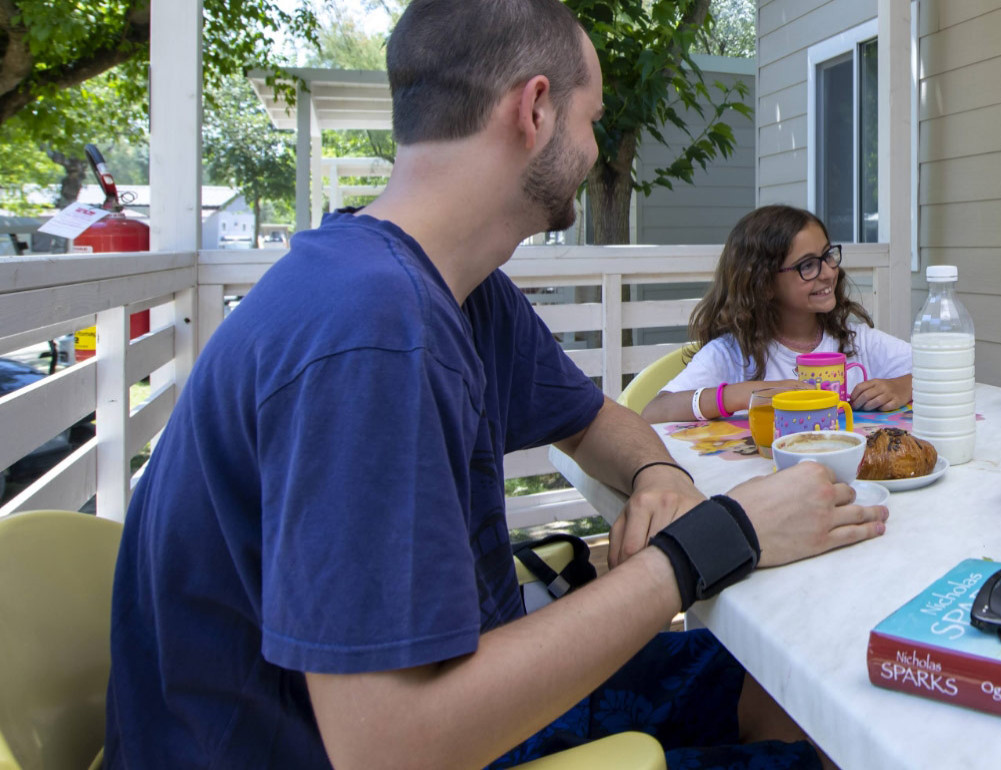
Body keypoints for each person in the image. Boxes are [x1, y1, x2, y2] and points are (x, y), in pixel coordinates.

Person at [103, 1, 886, 767]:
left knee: (792, 692)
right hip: (361, 744)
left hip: (472, 688)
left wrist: (658, 474)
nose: (593, 144)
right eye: (591, 118)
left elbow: (595, 422)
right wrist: (717, 540)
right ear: (535, 110)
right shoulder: (373, 332)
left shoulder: (451, 287)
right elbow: (389, 748)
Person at [640, 205, 913, 421]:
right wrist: (746, 394)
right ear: (764, 283)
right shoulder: (733, 355)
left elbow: (945, 370)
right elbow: (654, 411)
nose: (830, 272)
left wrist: (902, 387)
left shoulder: (856, 343)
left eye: (828, 255)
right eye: (808, 265)